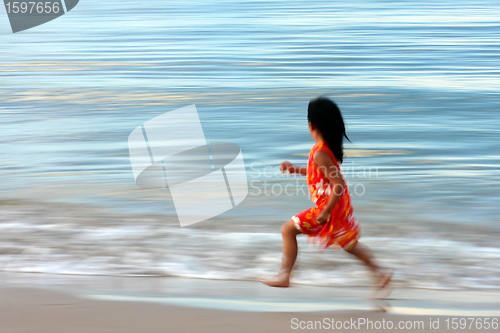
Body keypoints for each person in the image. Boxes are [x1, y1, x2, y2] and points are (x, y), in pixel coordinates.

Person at [258, 97, 392, 296]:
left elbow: (339, 184)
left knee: (287, 230)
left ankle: (284, 276)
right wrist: (295, 169)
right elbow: (318, 173)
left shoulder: (320, 153)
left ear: (311, 125)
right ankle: (379, 273)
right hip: (338, 208)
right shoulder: (324, 150)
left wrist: (326, 211)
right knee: (349, 244)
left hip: (326, 209)